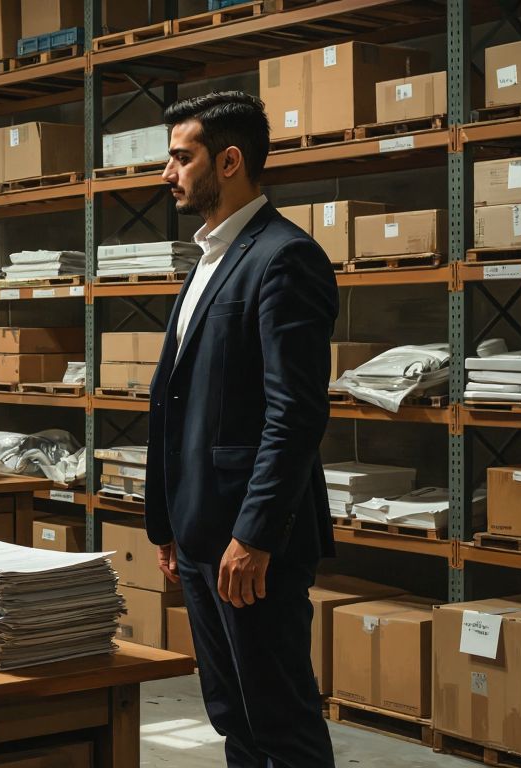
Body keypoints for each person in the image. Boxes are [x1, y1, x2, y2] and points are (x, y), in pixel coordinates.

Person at [144, 91, 338, 768]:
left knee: (279, 716)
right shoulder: (209, 258)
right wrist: (165, 521)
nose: (168, 173)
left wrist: (254, 536)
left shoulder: (284, 258)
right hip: (201, 534)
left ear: (228, 161)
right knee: (232, 717)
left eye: (181, 157)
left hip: (251, 543)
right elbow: (175, 400)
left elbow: (297, 412)